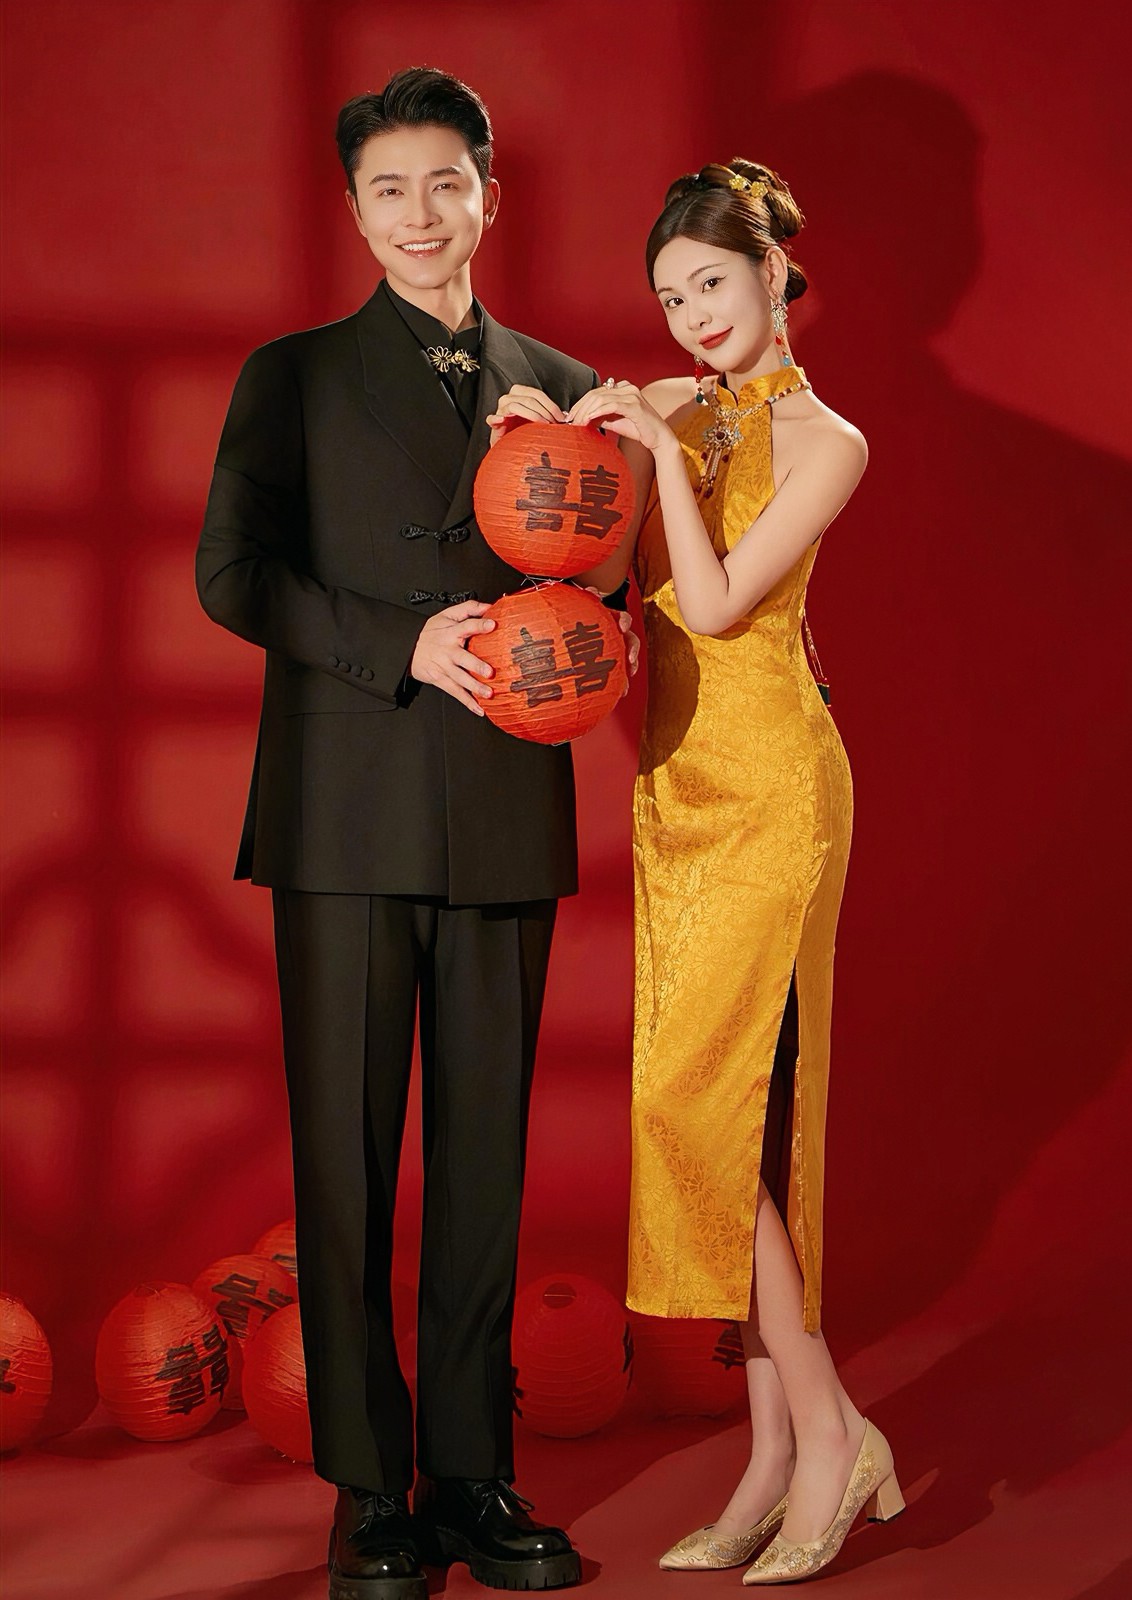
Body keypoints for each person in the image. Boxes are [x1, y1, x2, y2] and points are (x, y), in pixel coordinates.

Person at [197, 67, 634, 1600]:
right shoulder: (294, 375)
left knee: (485, 1159)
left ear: (489, 198)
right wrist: (404, 644)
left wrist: (603, 554)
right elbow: (231, 573)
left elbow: (613, 584)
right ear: (355, 209)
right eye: (390, 189)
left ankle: (474, 1472)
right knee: (347, 1160)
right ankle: (368, 1490)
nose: (420, 213)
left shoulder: (563, 380)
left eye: (446, 183)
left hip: (504, 806)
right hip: (341, 811)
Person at [568, 160, 902, 1584]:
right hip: (678, 790)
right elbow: (582, 531)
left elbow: (707, 604)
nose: (694, 315)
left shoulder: (831, 440)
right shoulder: (671, 406)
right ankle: (771, 1459)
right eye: (669, 297)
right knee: (731, 1123)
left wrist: (653, 442)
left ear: (774, 275)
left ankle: (832, 1436)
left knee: (713, 1107)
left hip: (774, 789)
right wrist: (553, 433)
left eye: (712, 281)